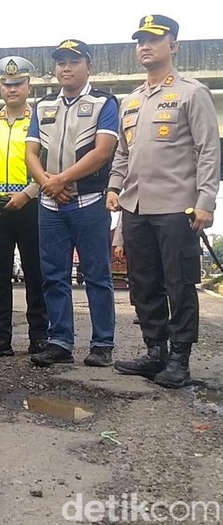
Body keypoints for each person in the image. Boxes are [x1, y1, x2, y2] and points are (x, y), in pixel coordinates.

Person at [107, 15, 221, 389]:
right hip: (136, 207)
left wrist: (206, 200)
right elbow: (123, 154)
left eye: (155, 39)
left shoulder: (193, 93)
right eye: (140, 39)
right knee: (143, 284)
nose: (145, 45)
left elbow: (208, 151)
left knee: (179, 284)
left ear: (174, 46)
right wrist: (114, 187)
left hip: (176, 207)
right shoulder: (132, 100)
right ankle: (154, 351)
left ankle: (180, 359)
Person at [25, 39, 119, 368]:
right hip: (50, 205)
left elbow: (103, 151)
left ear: (88, 66)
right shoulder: (43, 105)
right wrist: (48, 183)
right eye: (61, 61)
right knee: (53, 276)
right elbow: (31, 154)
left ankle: (102, 343)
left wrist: (58, 180)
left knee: (97, 275)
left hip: (89, 202)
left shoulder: (103, 102)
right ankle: (60, 341)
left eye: (74, 61)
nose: (66, 67)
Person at [0, 56, 48, 358]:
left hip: (31, 205)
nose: (12, 88)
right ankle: (0, 338)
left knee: (35, 274)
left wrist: (29, 192)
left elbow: (49, 162)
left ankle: (39, 337)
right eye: (6, 84)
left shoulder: (41, 120)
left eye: (17, 83)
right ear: (0, 86)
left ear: (28, 85)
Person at [112, 214, 139, 325]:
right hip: (134, 239)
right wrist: (119, 243)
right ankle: (140, 309)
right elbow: (123, 219)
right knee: (136, 278)